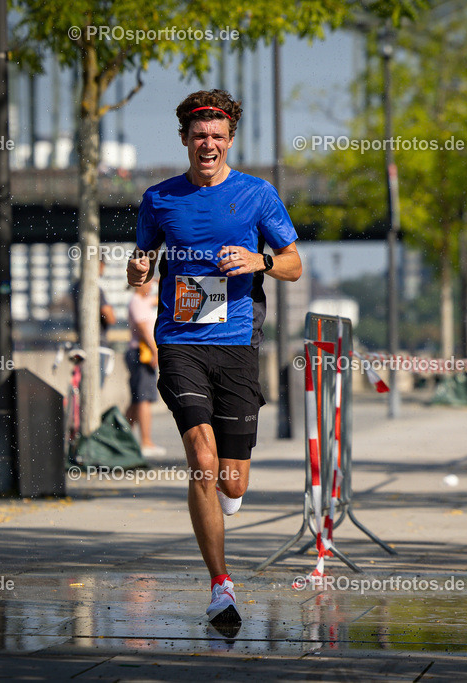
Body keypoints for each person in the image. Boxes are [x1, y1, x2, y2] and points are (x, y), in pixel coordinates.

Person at [125, 89, 301, 629]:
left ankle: (226, 493)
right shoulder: (159, 198)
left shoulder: (257, 194)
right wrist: (136, 270)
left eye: (217, 136)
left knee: (232, 481)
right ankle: (221, 585)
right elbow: (142, 260)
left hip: (237, 342)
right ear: (184, 138)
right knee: (201, 459)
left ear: (229, 140)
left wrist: (258, 260)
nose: (208, 144)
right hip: (179, 342)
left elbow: (294, 264)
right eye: (199, 135)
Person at [125, 279, 167, 457]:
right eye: (148, 283)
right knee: (143, 398)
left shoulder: (143, 301)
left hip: (141, 353)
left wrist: (159, 280)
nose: (150, 287)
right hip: (141, 353)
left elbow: (160, 299)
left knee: (137, 399)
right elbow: (143, 329)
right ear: (139, 284)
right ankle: (146, 441)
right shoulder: (136, 301)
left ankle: (122, 437)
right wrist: (154, 351)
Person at [71, 259, 117, 384]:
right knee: (94, 385)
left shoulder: (76, 286)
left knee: (79, 384)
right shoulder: (93, 288)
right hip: (97, 345)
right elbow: (110, 317)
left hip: (81, 342)